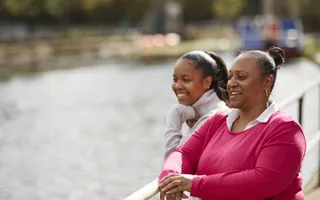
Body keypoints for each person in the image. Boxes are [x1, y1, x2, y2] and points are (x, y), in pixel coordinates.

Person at [158, 47, 306, 200]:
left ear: (267, 82)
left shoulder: (285, 129)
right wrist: (170, 176)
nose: (231, 84)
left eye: (241, 77)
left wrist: (193, 183)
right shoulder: (217, 120)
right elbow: (184, 154)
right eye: (230, 77)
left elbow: (264, 181)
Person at [164, 50, 229, 159]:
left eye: (186, 80)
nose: (178, 86)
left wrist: (174, 115)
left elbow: (173, 167)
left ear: (206, 82)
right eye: (175, 79)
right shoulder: (189, 112)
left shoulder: (214, 117)